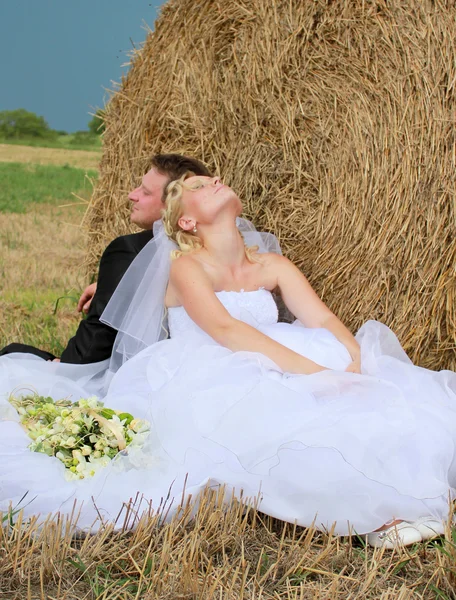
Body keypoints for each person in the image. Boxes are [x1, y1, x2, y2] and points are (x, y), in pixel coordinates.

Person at [1, 173, 455, 549]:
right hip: (214, 370)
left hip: (284, 353)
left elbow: (321, 317)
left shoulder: (273, 265)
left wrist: (353, 361)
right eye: (200, 183)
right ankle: (373, 516)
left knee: (386, 398)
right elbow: (226, 331)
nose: (215, 178)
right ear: (189, 220)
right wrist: (318, 374)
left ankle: (407, 493)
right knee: (291, 424)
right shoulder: (185, 267)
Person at [0, 154, 212, 363]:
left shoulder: (128, 250)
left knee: (13, 355)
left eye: (145, 192)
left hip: (139, 374)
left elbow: (96, 342)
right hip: (206, 365)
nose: (132, 195)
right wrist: (116, 285)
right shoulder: (224, 251)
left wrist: (62, 367)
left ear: (172, 204)